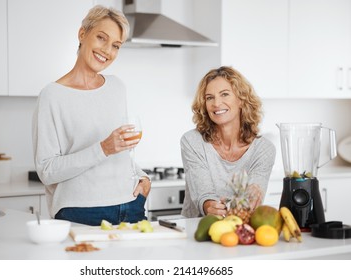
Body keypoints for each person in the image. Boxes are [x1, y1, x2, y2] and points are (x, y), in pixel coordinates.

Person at [32, 5, 151, 226]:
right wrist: (103, 148)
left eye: (116, 45)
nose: (107, 51)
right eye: (101, 38)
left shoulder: (117, 87)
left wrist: (143, 177)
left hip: (132, 205)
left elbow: (121, 151)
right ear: (82, 34)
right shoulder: (52, 95)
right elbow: (47, 171)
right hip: (81, 212)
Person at [180, 66, 276, 218]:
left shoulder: (264, 149)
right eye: (209, 97)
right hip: (196, 230)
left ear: (241, 100)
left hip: (239, 230)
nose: (216, 103)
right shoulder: (192, 141)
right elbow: (203, 194)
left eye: (224, 94)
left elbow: (254, 192)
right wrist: (210, 206)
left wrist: (253, 194)